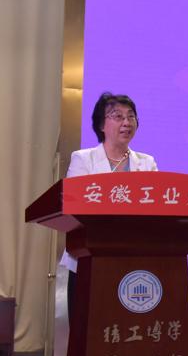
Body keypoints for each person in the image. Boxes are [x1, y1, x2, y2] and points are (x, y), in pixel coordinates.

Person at [61, 92, 158, 314]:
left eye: (131, 116)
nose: (126, 122)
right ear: (101, 125)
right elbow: (75, 207)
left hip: (135, 258)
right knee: (89, 323)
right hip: (89, 258)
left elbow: (155, 208)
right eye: (118, 116)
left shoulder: (147, 163)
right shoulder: (83, 159)